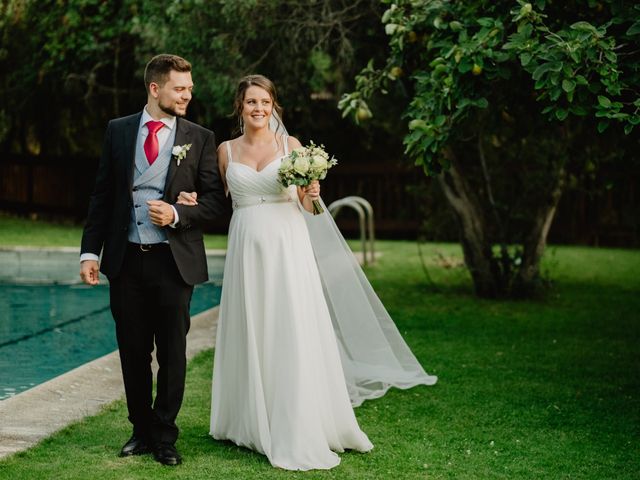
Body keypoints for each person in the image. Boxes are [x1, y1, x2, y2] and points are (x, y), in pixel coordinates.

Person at [178, 74, 437, 471]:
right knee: (254, 325)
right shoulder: (225, 150)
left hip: (288, 245)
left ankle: (296, 416)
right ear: (240, 107)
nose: (258, 109)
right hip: (247, 243)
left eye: (265, 102)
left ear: (274, 105)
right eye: (251, 102)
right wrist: (191, 198)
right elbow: (214, 198)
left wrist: (313, 196)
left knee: (290, 326)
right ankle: (246, 418)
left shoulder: (292, 147)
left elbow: (311, 209)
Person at [79, 54, 226, 466]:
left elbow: (216, 201)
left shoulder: (199, 137)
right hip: (126, 259)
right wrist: (90, 251)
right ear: (155, 88)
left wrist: (178, 214)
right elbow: (103, 195)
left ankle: (165, 436)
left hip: (172, 261)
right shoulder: (119, 130)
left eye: (190, 89)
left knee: (173, 352)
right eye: (180, 89)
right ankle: (140, 430)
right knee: (132, 350)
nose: (188, 95)